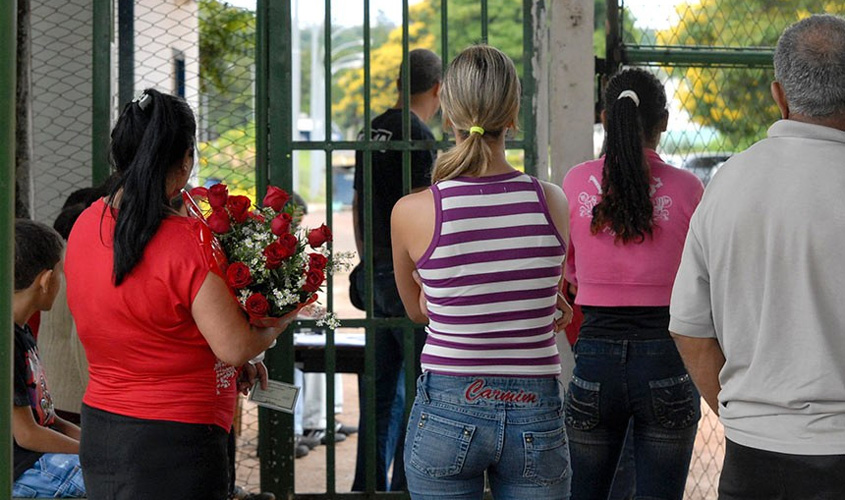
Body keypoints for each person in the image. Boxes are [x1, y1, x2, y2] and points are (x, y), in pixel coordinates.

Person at [64, 88, 293, 499]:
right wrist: (280, 321)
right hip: (177, 441)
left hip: (102, 431)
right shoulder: (185, 242)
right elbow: (235, 346)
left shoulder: (85, 224)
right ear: (185, 160)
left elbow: (137, 324)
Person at [670, 14, 845, 499]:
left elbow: (688, 326)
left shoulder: (728, 183)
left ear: (779, 95)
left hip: (755, 455)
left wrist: (743, 413)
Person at [391, 44, 573, 500]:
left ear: (447, 114)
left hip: (449, 405)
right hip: (536, 406)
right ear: (512, 114)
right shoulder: (551, 201)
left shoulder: (413, 211)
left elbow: (417, 312)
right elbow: (538, 294)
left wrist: (443, 296)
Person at [561, 68, 704, 500]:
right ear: (663, 123)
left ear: (606, 117)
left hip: (594, 360)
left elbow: (568, 275)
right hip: (668, 356)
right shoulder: (688, 188)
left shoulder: (574, 182)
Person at [351, 47, 442, 492]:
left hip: (374, 271)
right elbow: (422, 215)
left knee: (379, 392)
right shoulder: (420, 136)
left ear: (399, 83)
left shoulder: (372, 130)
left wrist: (368, 261)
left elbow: (356, 204)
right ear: (438, 88)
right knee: (418, 392)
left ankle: (367, 488)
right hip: (405, 277)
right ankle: (408, 487)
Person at [12, 218, 86, 498]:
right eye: (61, 272)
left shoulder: (22, 332)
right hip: (23, 470)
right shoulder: (7, 341)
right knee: (115, 481)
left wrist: (98, 446)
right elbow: (27, 434)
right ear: (46, 280)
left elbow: (49, 420)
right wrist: (94, 455)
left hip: (38, 461)